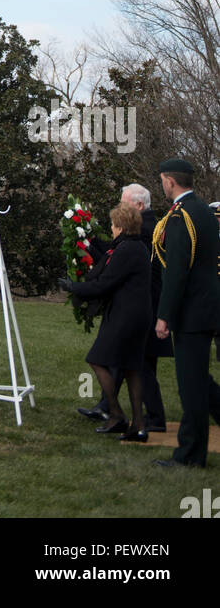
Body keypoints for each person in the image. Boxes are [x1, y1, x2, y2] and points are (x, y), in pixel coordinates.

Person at [76, 183, 170, 430]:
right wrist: (90, 241)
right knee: (127, 362)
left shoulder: (146, 231)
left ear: (139, 206)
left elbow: (117, 262)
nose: (120, 207)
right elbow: (113, 254)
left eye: (124, 203)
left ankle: (150, 418)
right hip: (138, 305)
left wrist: (79, 286)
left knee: (139, 364)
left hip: (141, 304)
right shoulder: (138, 232)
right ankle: (110, 408)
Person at [60, 202, 153, 440]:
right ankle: (138, 426)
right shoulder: (136, 247)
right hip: (138, 315)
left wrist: (75, 287)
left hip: (125, 316)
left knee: (97, 359)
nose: (111, 229)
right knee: (132, 368)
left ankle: (116, 413)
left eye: (113, 225)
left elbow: (105, 283)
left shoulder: (126, 250)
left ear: (121, 227)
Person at [151, 159, 220, 470]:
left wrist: (164, 315)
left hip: (192, 312)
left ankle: (190, 456)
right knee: (199, 380)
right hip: (207, 308)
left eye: (163, 181)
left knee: (190, 387)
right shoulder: (204, 211)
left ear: (169, 182)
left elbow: (177, 272)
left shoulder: (181, 217)